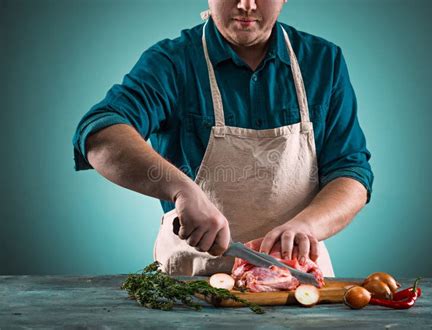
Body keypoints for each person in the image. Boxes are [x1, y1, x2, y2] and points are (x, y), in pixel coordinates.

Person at [72, 0, 373, 277]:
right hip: (193, 279)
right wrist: (181, 190)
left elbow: (351, 172)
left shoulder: (324, 62)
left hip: (296, 274)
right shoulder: (172, 62)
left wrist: (307, 225)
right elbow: (100, 133)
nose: (246, 5)